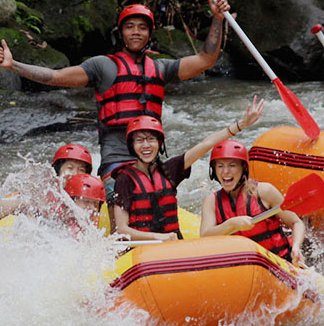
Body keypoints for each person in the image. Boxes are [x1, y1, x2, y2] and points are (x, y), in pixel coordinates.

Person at [0, 0, 230, 176]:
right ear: (121, 33)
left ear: (150, 33)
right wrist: (14, 65)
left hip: (151, 159)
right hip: (116, 161)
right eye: (130, 27)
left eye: (142, 27)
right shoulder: (102, 66)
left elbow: (206, 60)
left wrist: (217, 19)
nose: (136, 32)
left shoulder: (161, 68)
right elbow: (55, 77)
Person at [112, 97, 265, 242]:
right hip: (143, 249)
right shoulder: (124, 179)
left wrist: (242, 124)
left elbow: (206, 144)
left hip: (174, 247)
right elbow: (122, 229)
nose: (146, 145)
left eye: (151, 139)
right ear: (132, 146)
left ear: (159, 143)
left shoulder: (170, 169)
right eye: (139, 140)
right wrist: (158, 238)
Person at [198, 139, 306, 266]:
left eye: (232, 165)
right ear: (214, 170)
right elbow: (205, 237)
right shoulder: (211, 202)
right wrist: (232, 224)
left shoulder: (264, 191)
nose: (225, 172)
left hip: (280, 263)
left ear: (243, 168)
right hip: (242, 269)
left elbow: (296, 222)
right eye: (220, 166)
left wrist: (296, 247)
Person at [0, 142, 94, 219]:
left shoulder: (89, 196)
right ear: (58, 170)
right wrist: (27, 202)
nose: (75, 174)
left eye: (81, 170)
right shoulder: (44, 188)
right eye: (70, 168)